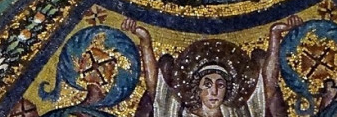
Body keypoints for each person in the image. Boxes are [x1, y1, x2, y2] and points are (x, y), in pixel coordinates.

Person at [122, 16, 298, 117]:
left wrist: (275, 35)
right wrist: (145, 40)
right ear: (197, 89)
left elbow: (268, 85)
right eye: (207, 84)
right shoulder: (179, 112)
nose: (214, 91)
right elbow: (154, 85)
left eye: (220, 85)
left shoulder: (238, 113)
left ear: (227, 89)